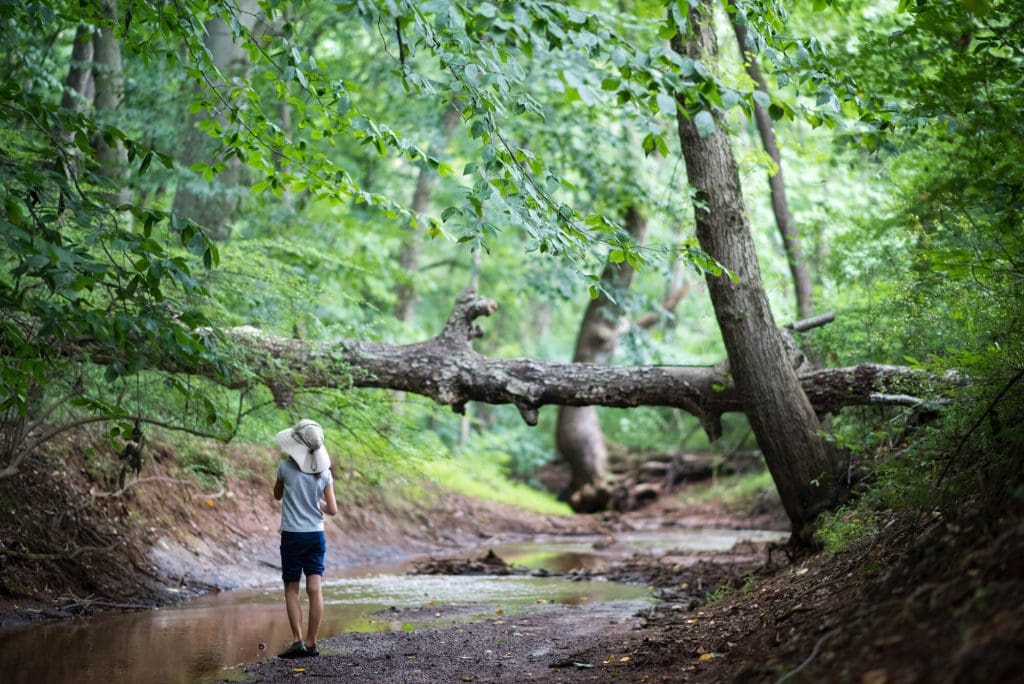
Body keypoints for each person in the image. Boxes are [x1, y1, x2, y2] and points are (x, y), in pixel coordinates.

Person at [272, 419, 338, 659]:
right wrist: (314, 501)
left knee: (291, 589)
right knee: (315, 589)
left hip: (292, 536)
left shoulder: (285, 468)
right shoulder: (325, 473)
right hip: (316, 536)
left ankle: (297, 641)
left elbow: (277, 495)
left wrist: (292, 491)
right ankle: (312, 643)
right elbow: (332, 509)